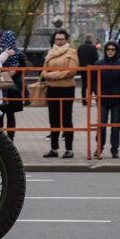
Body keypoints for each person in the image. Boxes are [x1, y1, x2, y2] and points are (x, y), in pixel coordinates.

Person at [41, 28, 79, 158]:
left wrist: (54, 75)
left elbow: (72, 71)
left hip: (66, 89)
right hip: (52, 89)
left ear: (66, 40)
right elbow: (44, 71)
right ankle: (54, 148)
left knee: (67, 119)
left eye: (62, 39)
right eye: (57, 39)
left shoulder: (71, 52)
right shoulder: (51, 52)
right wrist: (49, 75)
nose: (59, 41)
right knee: (53, 119)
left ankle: (69, 149)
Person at [90, 40, 120, 159]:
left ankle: (114, 149)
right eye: (108, 49)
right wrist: (98, 93)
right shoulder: (98, 63)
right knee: (101, 124)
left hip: (117, 100)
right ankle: (99, 148)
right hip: (102, 99)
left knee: (115, 125)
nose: (110, 52)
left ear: (116, 50)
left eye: (113, 49)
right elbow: (93, 81)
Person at [0, 29, 26, 140]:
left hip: (0, 85)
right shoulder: (19, 53)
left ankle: (0, 140)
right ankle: (10, 140)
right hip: (14, 87)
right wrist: (13, 72)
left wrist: (5, 74)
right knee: (10, 115)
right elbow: (22, 69)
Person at [76, 33, 99, 106]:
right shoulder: (93, 48)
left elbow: (78, 57)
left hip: (83, 68)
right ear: (91, 39)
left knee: (84, 85)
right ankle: (89, 100)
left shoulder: (80, 47)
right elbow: (96, 58)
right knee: (91, 85)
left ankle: (83, 101)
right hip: (91, 68)